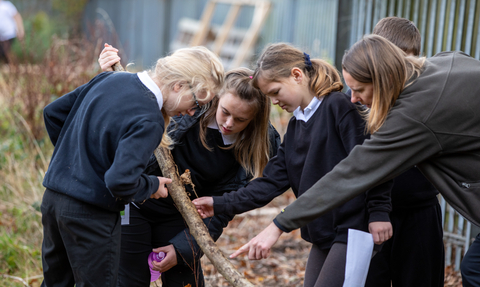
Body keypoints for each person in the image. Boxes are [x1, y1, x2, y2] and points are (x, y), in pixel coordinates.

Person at [214, 35, 480, 286]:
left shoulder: (362, 111)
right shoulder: (296, 125)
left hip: (357, 227)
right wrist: (219, 204)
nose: (354, 98)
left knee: (470, 270)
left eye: (359, 89)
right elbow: (273, 180)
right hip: (325, 230)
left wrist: (280, 224)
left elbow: (359, 170)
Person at [193, 43, 393, 287]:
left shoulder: (339, 107)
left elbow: (372, 163)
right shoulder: (297, 126)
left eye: (276, 92)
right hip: (322, 234)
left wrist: (379, 211)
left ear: (296, 75)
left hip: (353, 230)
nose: (275, 101)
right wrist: (218, 203)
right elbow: (269, 183)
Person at [41, 46, 224, 287]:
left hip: (53, 199)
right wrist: (151, 185)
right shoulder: (150, 118)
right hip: (91, 215)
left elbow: (53, 113)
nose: (192, 112)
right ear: (179, 85)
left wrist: (76, 163)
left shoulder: (110, 79)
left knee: (56, 283)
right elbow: (120, 182)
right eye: (197, 103)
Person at [98, 46, 280, 287]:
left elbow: (223, 207)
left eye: (240, 120)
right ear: (216, 99)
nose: (228, 123)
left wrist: (184, 248)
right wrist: (111, 75)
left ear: (254, 120)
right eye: (225, 112)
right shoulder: (187, 109)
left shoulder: (256, 145)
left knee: (186, 280)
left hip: (184, 216)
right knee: (129, 279)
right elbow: (145, 96)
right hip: (137, 202)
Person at [360, 17, 444, 287]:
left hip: (420, 210)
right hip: (371, 213)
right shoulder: (362, 96)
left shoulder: (429, 96)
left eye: (404, 61)